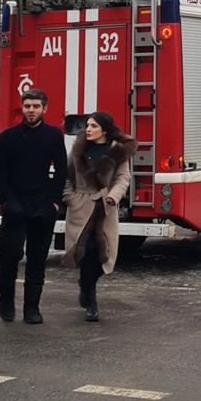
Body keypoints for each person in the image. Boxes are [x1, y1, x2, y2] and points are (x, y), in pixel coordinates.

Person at [0, 87, 67, 324]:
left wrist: (54, 203)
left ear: (45, 109)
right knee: (10, 256)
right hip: (15, 205)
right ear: (22, 108)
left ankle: (32, 308)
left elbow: (62, 170)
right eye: (27, 106)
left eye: (36, 106)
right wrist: (7, 201)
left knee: (37, 259)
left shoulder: (54, 135)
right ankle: (6, 302)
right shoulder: (9, 136)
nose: (31, 110)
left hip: (42, 206)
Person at [61, 110, 136, 322]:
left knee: (105, 256)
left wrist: (113, 197)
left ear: (104, 129)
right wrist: (72, 200)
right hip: (81, 208)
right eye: (87, 125)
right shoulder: (78, 150)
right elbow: (68, 178)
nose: (88, 129)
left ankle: (86, 286)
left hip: (105, 207)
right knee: (85, 254)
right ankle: (91, 302)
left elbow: (123, 178)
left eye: (93, 126)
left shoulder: (117, 151)